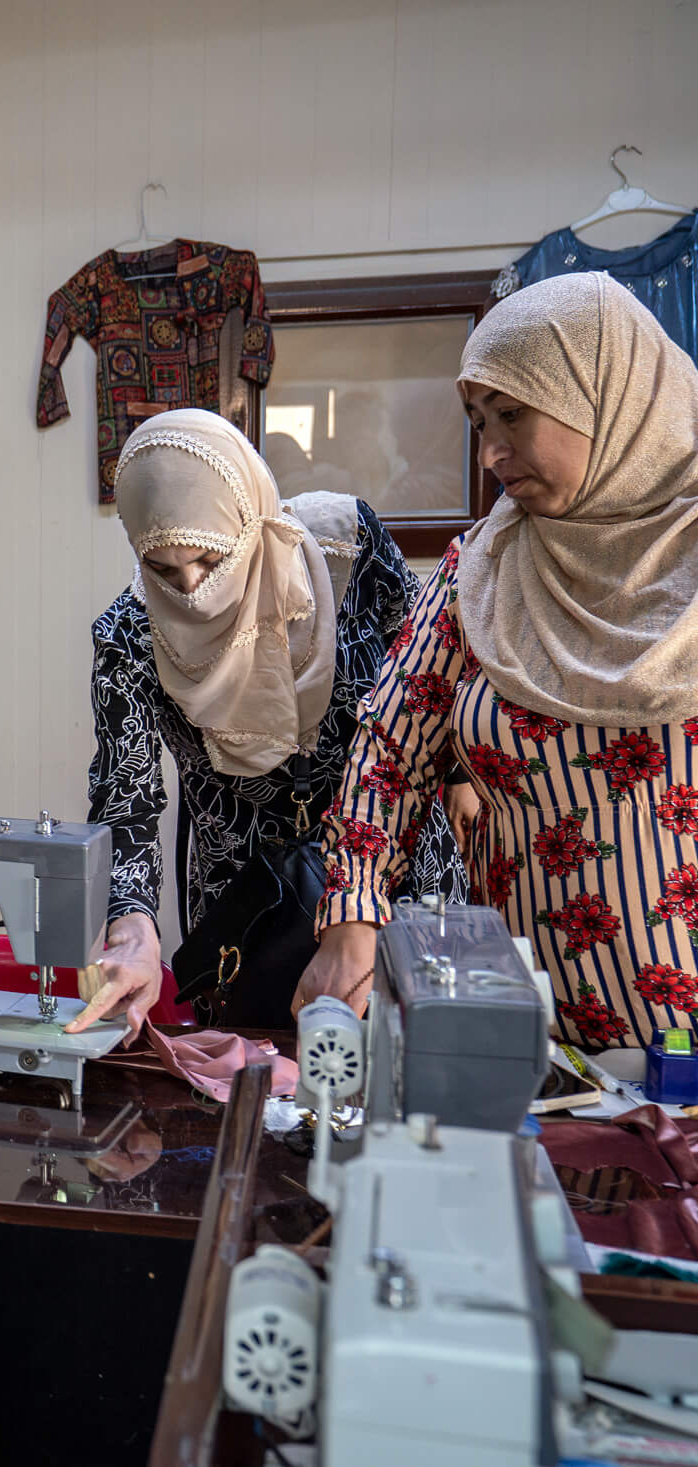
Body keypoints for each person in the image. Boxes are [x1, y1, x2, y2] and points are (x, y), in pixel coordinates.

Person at [304, 273, 698, 1048]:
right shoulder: (480, 568)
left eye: (513, 414)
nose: (489, 453)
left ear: (605, 393)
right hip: (528, 1048)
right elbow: (390, 750)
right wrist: (351, 908)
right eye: (479, 421)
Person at [73, 409, 461, 1038]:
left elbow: (431, 674)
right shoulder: (129, 637)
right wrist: (132, 929)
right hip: (248, 908)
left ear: (250, 520)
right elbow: (128, 799)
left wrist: (464, 776)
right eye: (163, 572)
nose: (194, 591)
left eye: (209, 559)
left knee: (426, 1074)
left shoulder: (350, 548)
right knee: (264, 1097)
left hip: (397, 864)